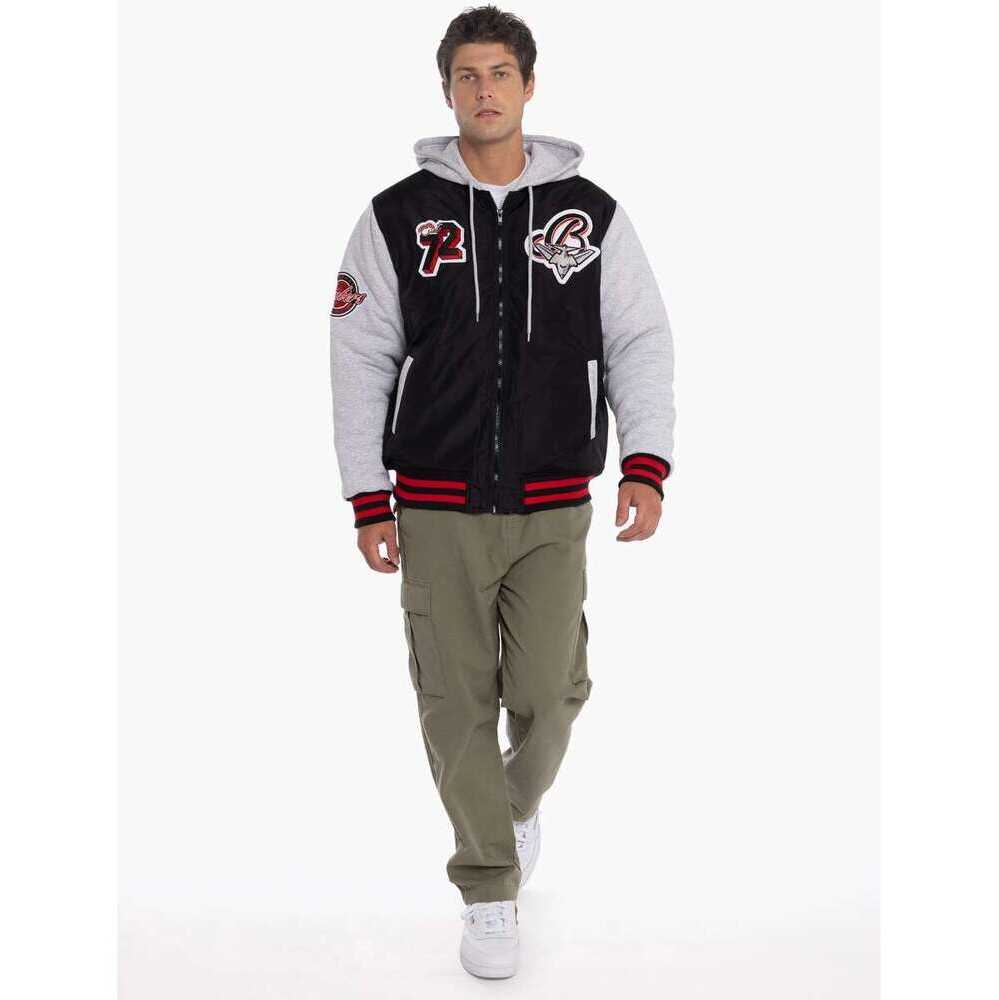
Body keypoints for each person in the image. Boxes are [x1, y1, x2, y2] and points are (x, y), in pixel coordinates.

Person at [329, 4, 676, 980]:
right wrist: (367, 495)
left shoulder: (588, 217)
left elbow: (640, 340)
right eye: (467, 75)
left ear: (529, 85)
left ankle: (509, 805)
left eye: (500, 73)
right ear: (446, 90)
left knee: (549, 691)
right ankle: (488, 883)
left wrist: (646, 462)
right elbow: (358, 356)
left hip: (553, 499)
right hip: (435, 502)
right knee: (453, 699)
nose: (484, 90)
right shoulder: (396, 217)